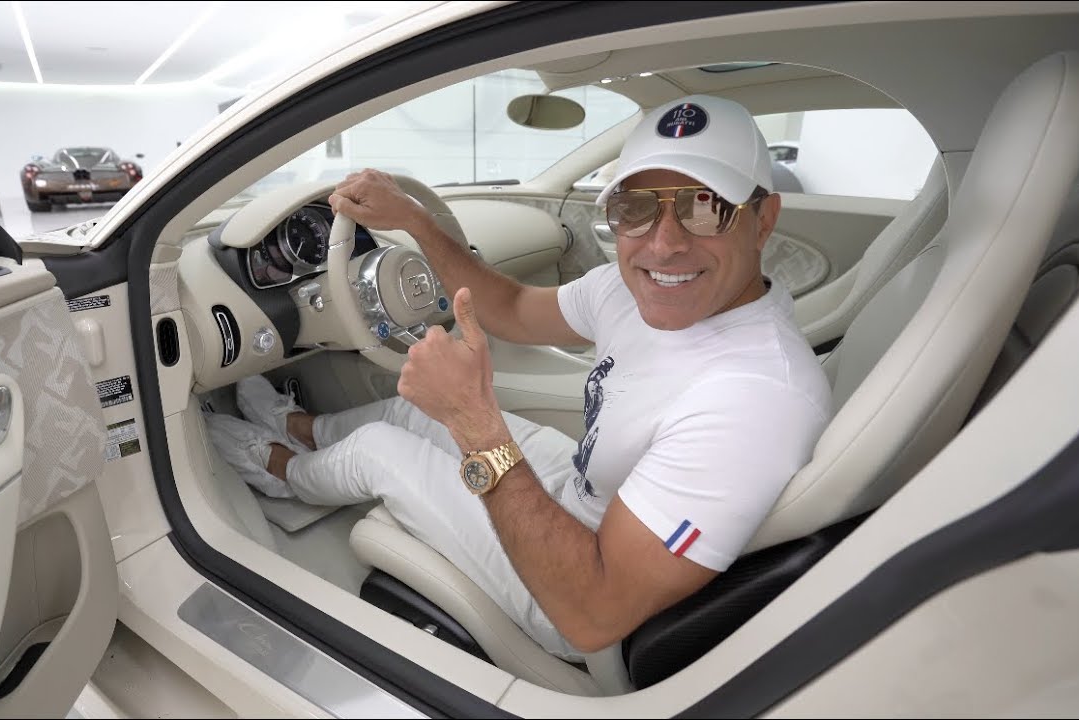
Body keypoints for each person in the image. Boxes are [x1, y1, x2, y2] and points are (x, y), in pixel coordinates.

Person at [205, 94, 831, 660]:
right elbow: (508, 307)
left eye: (706, 207)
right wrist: (415, 222)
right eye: (636, 208)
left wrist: (475, 422)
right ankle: (300, 427)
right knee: (407, 410)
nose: (664, 245)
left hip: (570, 587)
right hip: (591, 494)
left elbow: (593, 614)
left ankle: (281, 471)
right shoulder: (629, 289)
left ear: (764, 218)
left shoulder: (754, 399)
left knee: (376, 449)